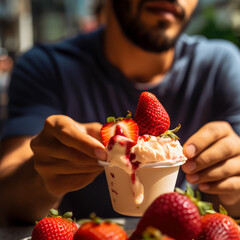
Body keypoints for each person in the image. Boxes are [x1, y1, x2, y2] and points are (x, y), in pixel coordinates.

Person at [1, 0, 240, 225]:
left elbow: (231, 206)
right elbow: (6, 194)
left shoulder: (222, 66)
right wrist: (41, 178)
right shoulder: (46, 68)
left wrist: (232, 188)